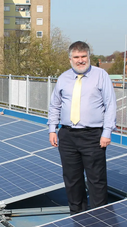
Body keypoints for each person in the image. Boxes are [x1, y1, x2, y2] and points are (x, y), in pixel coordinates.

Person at [47, 41, 117, 215]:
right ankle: (77, 216)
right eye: (76, 57)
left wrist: (106, 132)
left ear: (89, 57)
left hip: (93, 135)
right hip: (67, 135)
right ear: (70, 58)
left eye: (83, 56)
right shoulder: (63, 78)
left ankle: (100, 217)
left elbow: (110, 105)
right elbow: (54, 105)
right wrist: (52, 129)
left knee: (96, 179)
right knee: (72, 179)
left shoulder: (101, 75)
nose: (80, 60)